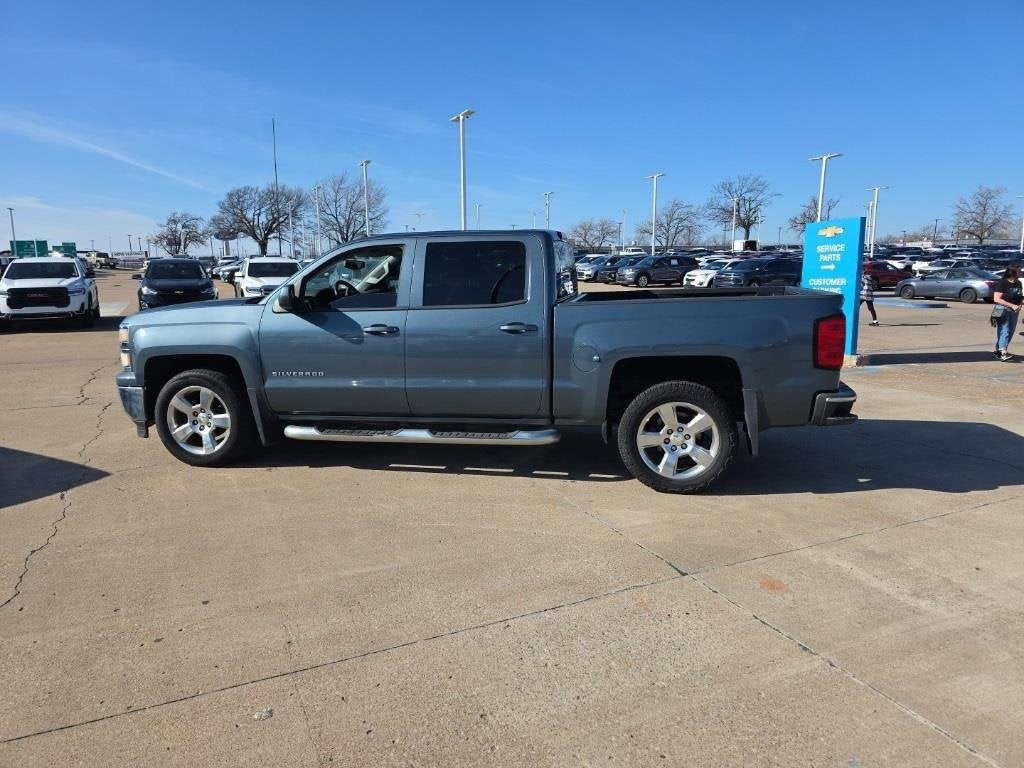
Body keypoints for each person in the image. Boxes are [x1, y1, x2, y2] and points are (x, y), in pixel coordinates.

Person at [992, 265, 1022, 361]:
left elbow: (1019, 296)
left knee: (1010, 331)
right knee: (1004, 330)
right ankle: (1003, 352)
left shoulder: (1019, 283)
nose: (1019, 273)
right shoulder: (1002, 283)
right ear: (1011, 273)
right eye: (1018, 272)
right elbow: (996, 299)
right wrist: (1011, 305)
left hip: (1014, 310)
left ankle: (998, 351)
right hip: (1000, 309)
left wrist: (1020, 304)